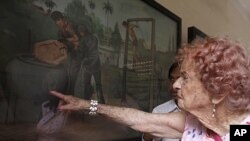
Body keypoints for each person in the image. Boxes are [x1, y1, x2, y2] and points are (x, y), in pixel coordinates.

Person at [50, 37, 250, 141]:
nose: (176, 84)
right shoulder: (194, 124)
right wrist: (86, 104)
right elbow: (141, 120)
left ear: (217, 93)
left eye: (186, 78)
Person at [142, 62, 180, 141]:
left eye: (180, 79)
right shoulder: (160, 111)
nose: (174, 86)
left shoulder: (203, 113)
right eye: (172, 79)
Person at [51, 11, 80, 94]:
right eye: (55, 21)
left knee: (72, 75)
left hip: (77, 54)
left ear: (62, 19)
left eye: (58, 20)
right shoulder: (60, 30)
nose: (57, 23)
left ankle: (70, 95)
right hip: (69, 53)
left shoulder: (68, 27)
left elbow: (76, 38)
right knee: (65, 73)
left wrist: (65, 40)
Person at [75, 25, 105, 104]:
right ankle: (101, 103)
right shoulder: (94, 38)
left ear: (81, 32)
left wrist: (77, 48)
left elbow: (81, 54)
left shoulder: (83, 40)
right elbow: (94, 51)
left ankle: (88, 105)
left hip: (88, 66)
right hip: (96, 64)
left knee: (87, 85)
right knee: (98, 85)